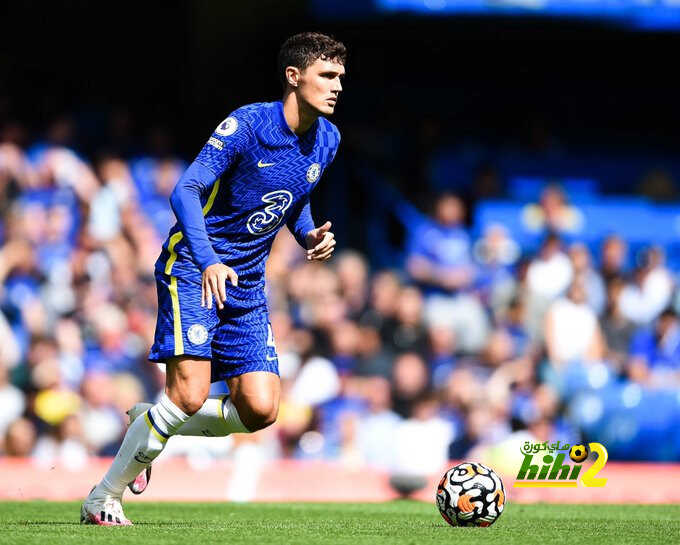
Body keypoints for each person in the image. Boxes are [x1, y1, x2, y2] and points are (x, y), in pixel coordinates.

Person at [81, 32, 346, 525]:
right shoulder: (248, 125)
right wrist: (207, 261)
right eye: (327, 75)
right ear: (294, 76)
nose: (337, 86)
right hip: (193, 268)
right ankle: (103, 496)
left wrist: (308, 234)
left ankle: (150, 422)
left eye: (340, 77)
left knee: (260, 410)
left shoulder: (327, 139)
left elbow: (295, 195)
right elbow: (185, 190)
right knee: (188, 395)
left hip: (247, 283)